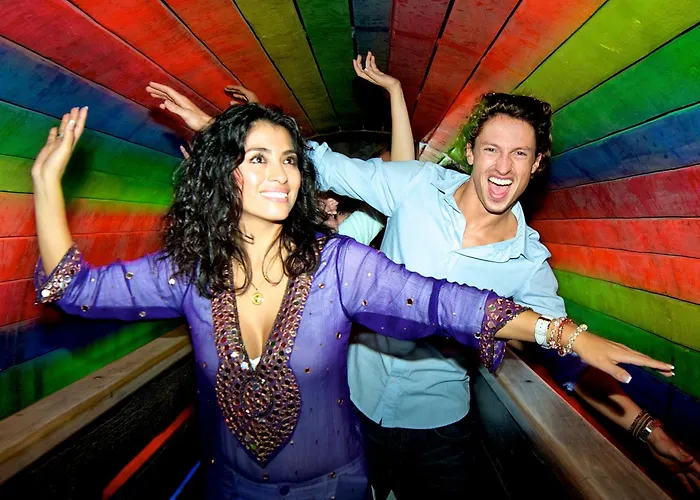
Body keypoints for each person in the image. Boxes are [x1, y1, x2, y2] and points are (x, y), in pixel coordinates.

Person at [31, 102, 671, 499]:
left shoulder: (341, 265)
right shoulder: (191, 273)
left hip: (380, 457)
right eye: (258, 158)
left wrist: (571, 338)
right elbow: (73, 288)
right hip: (247, 478)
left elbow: (444, 303)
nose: (281, 172)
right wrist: (45, 183)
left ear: (536, 165)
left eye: (288, 160)